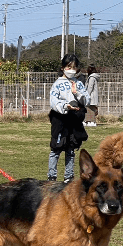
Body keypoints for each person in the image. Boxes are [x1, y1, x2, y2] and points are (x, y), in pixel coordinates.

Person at [47, 54, 90, 183]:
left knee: (71, 149)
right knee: (56, 149)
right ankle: (52, 176)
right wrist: (65, 106)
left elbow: (86, 99)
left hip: (74, 122)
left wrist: (77, 93)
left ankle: (68, 177)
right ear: (63, 68)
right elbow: (53, 101)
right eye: (68, 67)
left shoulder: (79, 84)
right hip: (60, 121)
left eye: (74, 67)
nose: (71, 69)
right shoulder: (57, 84)